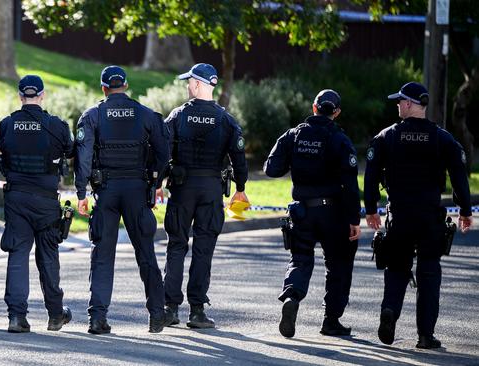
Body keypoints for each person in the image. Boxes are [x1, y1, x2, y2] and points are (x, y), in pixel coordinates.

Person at [364, 82, 473, 349]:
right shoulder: (442, 138)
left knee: (397, 268)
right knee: (429, 273)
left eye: (401, 101)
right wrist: (466, 210)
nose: (398, 105)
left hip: (399, 216)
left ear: (412, 104)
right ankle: (425, 335)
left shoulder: (386, 136)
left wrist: (370, 208)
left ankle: (390, 310)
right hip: (429, 219)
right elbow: (460, 177)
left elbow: (370, 175)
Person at [74, 65, 173, 334]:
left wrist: (81, 193)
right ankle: (156, 315)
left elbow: (83, 157)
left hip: (105, 192)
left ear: (104, 88)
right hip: (137, 191)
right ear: (126, 86)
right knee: (146, 253)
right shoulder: (147, 115)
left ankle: (97, 318)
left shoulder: (93, 115)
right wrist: (156, 183)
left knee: (102, 255)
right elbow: (165, 153)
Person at [264, 89, 361, 338]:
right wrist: (354, 220)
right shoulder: (340, 139)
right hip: (333, 214)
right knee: (337, 265)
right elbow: (350, 185)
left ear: (314, 106)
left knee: (300, 259)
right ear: (336, 112)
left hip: (302, 212)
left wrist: (294, 161)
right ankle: (331, 320)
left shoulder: (294, 135)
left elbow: (271, 169)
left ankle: (292, 296)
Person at [160, 63, 249, 329]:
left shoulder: (177, 116)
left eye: (190, 82)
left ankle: (170, 307)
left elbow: (162, 152)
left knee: (176, 246)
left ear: (198, 84)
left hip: (182, 190)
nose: (187, 86)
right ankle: (197, 311)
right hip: (211, 190)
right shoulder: (226, 120)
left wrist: (158, 182)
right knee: (204, 249)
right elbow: (239, 159)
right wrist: (241, 188)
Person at [0, 75, 74, 333]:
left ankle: (16, 317)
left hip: (17, 198)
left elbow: (4, 158)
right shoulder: (56, 126)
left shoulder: (6, 125)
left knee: (17, 255)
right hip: (45, 201)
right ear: (42, 95)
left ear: (20, 96)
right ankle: (55, 315)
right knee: (48, 257)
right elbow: (70, 150)